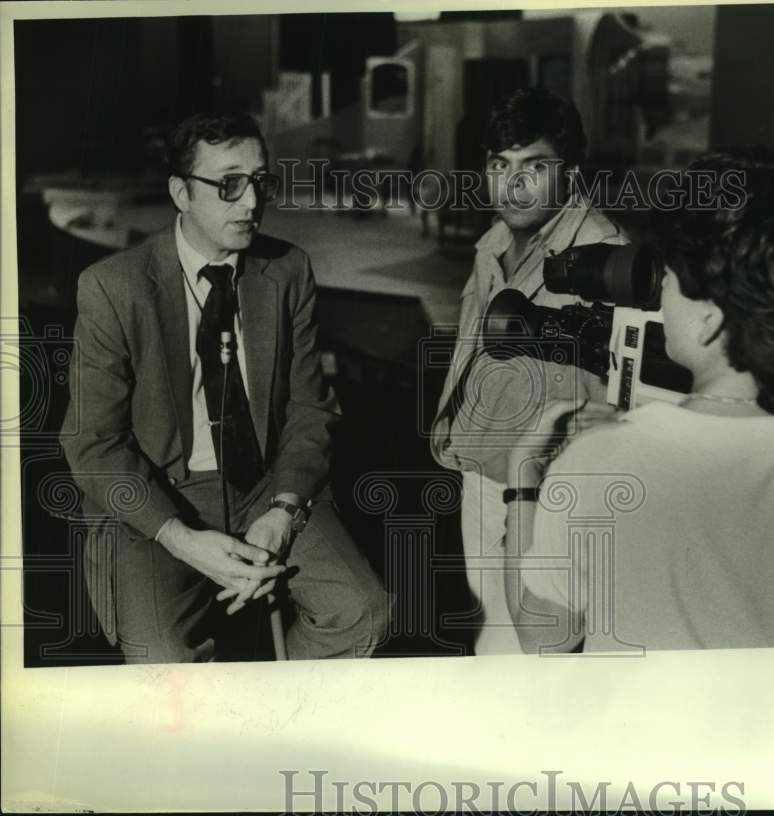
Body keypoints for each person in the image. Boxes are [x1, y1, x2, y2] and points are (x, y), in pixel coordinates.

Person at [502, 146, 774, 654]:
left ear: (710, 318)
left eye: (667, 280)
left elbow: (544, 637)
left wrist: (525, 481)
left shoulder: (598, 463)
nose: (660, 294)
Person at [60, 112, 390, 663]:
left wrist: (283, 511)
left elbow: (311, 407)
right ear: (180, 192)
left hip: (266, 483)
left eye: (260, 181)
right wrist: (180, 538)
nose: (251, 202)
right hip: (163, 494)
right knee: (161, 659)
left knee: (364, 613)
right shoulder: (113, 287)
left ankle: (273, 722)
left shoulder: (287, 271)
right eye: (229, 183)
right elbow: (92, 443)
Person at [429, 88, 628, 654]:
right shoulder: (493, 241)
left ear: (570, 172)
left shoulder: (604, 256)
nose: (513, 184)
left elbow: (615, 400)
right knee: (492, 637)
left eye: (534, 166)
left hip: (545, 486)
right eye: (500, 165)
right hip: (482, 467)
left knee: (539, 652)